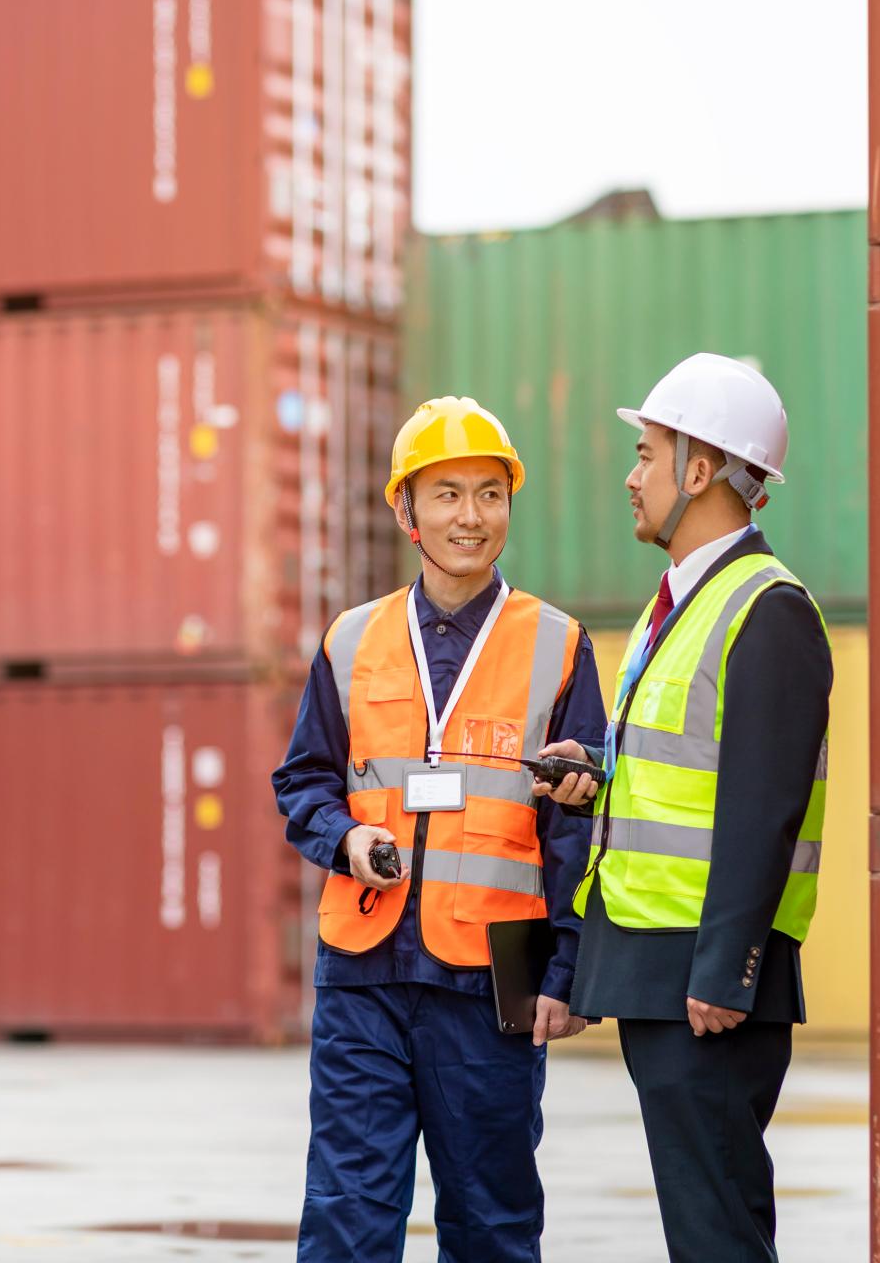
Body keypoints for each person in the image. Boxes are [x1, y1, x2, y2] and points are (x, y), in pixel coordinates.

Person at [274, 396, 608, 1263]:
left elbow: (578, 827)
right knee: (347, 1214)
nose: (472, 515)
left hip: (492, 989)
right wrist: (346, 839)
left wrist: (567, 971)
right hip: (363, 974)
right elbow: (305, 781)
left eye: (491, 493)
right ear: (405, 510)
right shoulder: (351, 641)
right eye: (449, 493)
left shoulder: (558, 645)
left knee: (491, 1225)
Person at [535, 353, 834, 1263]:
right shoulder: (683, 603)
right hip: (664, 967)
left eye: (646, 453)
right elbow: (690, 772)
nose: (631, 477)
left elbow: (763, 804)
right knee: (709, 1226)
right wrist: (594, 769)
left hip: (707, 983)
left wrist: (726, 971)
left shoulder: (765, 608)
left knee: (717, 1236)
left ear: (699, 471)